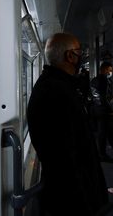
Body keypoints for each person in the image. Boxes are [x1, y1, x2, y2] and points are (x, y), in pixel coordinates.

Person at [27, 32, 109, 216]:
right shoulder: (57, 93)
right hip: (72, 201)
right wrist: (87, 205)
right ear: (70, 56)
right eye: (79, 51)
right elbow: (68, 158)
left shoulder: (54, 86)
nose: (82, 56)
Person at [90, 61, 113, 161]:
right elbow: (103, 97)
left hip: (98, 109)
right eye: (110, 70)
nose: (111, 72)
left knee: (104, 132)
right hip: (103, 110)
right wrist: (110, 109)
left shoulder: (95, 80)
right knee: (104, 132)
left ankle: (102, 153)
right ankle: (102, 155)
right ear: (104, 69)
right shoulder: (103, 80)